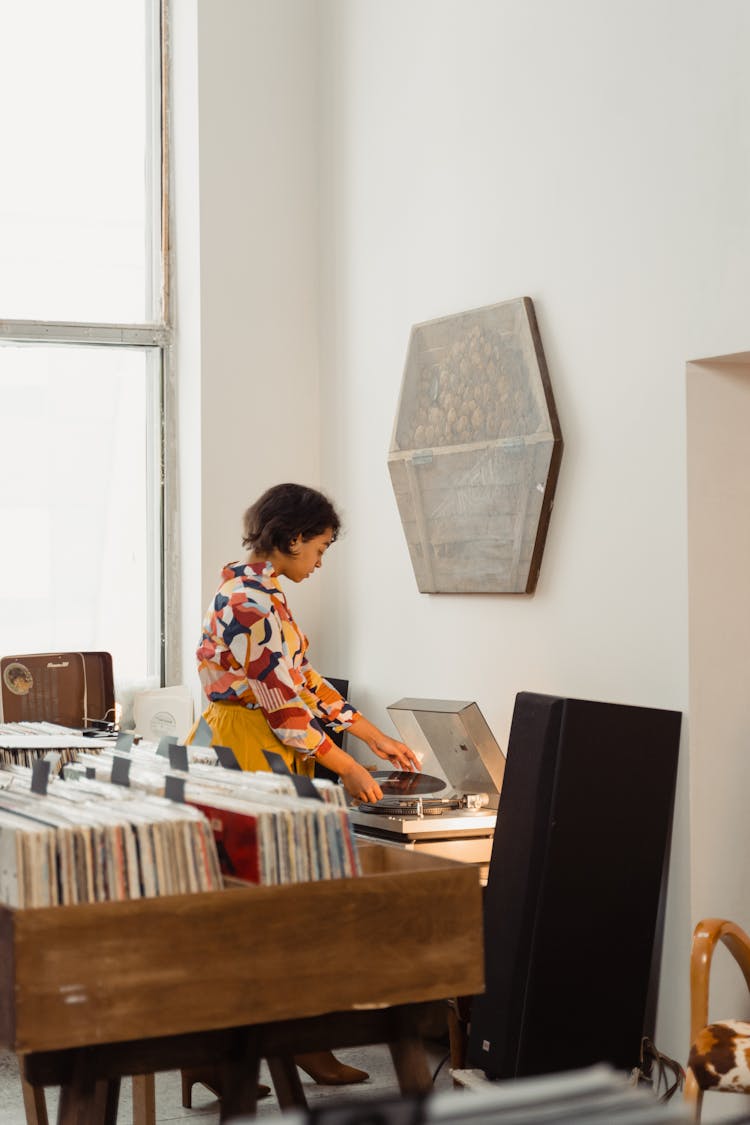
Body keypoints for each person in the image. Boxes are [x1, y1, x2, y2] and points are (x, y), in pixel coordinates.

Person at [191, 482, 421, 1088]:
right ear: (293, 538)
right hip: (248, 749)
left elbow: (301, 679)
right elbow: (283, 707)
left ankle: (234, 1053)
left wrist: (370, 734)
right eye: (319, 547)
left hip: (249, 743)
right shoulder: (252, 602)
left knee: (264, 908)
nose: (320, 560)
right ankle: (286, 1047)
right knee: (278, 910)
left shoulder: (257, 589)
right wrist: (347, 767)